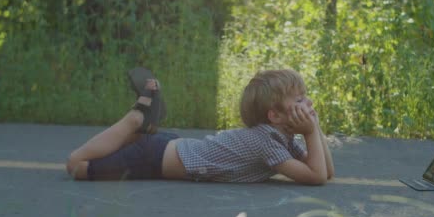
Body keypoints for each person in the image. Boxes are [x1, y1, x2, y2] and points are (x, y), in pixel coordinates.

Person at [66, 68, 334, 185]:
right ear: (274, 116)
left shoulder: (280, 138)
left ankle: (142, 124)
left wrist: (315, 125)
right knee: (76, 166)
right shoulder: (265, 142)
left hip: (167, 149)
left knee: (125, 145)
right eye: (300, 100)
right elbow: (316, 177)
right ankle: (136, 118)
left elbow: (326, 170)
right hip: (152, 158)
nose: (308, 102)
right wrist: (311, 131)